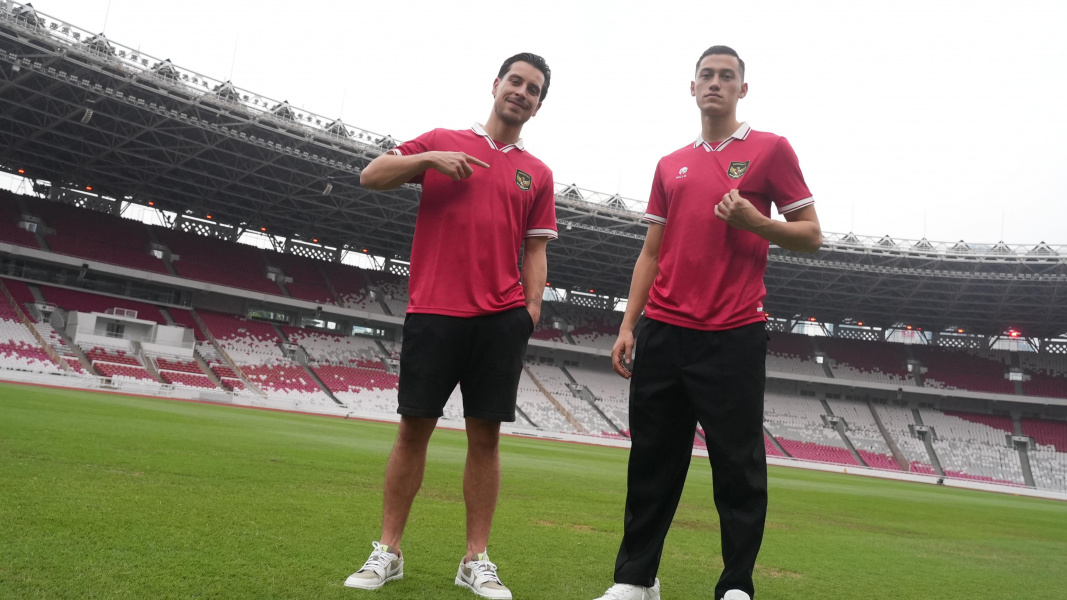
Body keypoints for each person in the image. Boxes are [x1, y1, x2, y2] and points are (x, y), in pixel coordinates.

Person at [592, 45, 822, 600]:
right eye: (706, 75)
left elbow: (812, 234)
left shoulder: (770, 149)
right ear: (691, 88)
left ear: (743, 89)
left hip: (734, 330)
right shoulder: (670, 163)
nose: (715, 83)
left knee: (737, 466)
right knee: (652, 460)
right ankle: (635, 579)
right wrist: (628, 324)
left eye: (727, 76)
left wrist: (753, 221)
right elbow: (651, 252)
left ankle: (736, 585)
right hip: (665, 329)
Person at [345, 53, 557, 600]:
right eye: (515, 81)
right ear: (496, 85)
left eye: (533, 89)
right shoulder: (442, 139)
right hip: (434, 311)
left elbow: (535, 250)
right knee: (413, 431)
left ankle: (475, 560)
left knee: (485, 440)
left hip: (500, 318)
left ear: (538, 105)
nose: (521, 92)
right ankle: (388, 551)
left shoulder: (538, 173)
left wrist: (529, 310)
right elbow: (371, 175)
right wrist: (432, 159)